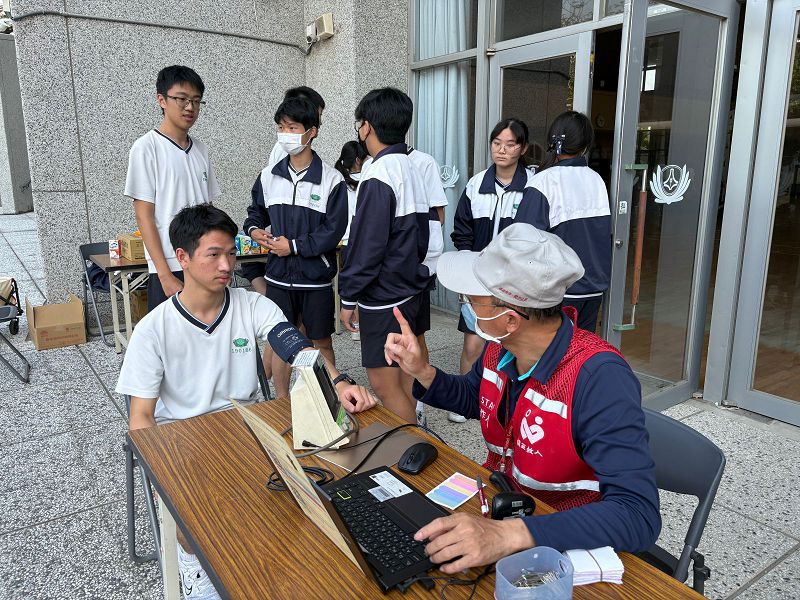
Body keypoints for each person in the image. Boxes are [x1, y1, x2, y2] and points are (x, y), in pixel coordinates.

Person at [117, 204, 374, 600]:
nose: (226, 265)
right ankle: (192, 566)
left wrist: (337, 381)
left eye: (230, 253)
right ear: (183, 257)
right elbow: (141, 418)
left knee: (320, 477)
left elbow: (294, 345)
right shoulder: (153, 330)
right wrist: (163, 477)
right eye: (213, 254)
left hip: (246, 424)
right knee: (194, 513)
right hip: (182, 437)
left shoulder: (250, 304)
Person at [379, 223, 661, 572]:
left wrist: (509, 535)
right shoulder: (501, 348)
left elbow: (637, 515)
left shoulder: (599, 377)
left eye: (472, 299)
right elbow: (476, 398)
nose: (466, 305)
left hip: (562, 534)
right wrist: (422, 371)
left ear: (509, 319)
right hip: (504, 504)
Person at [244, 97, 348, 399]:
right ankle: (281, 401)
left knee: (321, 341)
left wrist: (294, 246)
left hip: (315, 279)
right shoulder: (268, 176)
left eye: (292, 127)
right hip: (277, 277)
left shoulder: (331, 180)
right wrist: (254, 230)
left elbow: (333, 231)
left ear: (311, 132)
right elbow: (255, 213)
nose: (285, 134)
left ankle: (326, 398)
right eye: (281, 127)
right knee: (281, 341)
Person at [339, 88, 430, 424]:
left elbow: (367, 246)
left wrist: (348, 296)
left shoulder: (378, 174)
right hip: (410, 286)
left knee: (384, 385)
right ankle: (416, 437)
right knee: (405, 378)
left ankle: (410, 445)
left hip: (384, 296)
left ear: (367, 126)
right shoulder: (410, 166)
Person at [125, 65, 221, 311]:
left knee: (208, 328)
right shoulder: (146, 148)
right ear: (162, 100)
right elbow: (144, 216)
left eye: (196, 101)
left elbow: (208, 210)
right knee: (171, 333)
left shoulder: (201, 150)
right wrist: (164, 274)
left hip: (203, 261)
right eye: (182, 99)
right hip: (170, 264)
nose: (190, 107)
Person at [450, 118, 536, 385]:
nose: (502, 150)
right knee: (473, 346)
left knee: (513, 346)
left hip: (516, 283)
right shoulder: (476, 185)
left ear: (523, 148)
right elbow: (462, 231)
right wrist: (467, 271)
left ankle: (507, 398)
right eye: (497, 143)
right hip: (478, 281)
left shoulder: (534, 186)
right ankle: (467, 396)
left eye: (510, 144)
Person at [517, 110, 611, 332]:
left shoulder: (543, 181)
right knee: (581, 348)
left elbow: (523, 240)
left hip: (557, 291)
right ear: (585, 145)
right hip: (593, 288)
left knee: (553, 349)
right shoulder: (596, 179)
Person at [335, 140, 370, 342]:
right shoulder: (369, 176)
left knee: (349, 281)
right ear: (358, 159)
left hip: (343, 240)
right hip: (362, 238)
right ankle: (361, 324)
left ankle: (354, 324)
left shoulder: (338, 179)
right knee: (363, 281)